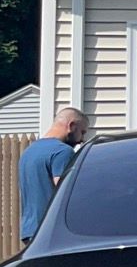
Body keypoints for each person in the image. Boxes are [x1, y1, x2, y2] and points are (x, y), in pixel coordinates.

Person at [18, 105, 88, 250]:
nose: (82, 139)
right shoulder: (62, 151)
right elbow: (65, 190)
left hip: (29, 230)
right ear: (71, 126)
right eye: (82, 132)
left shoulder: (29, 152)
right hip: (52, 231)